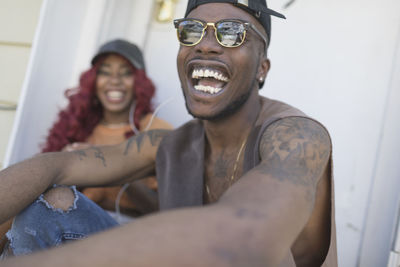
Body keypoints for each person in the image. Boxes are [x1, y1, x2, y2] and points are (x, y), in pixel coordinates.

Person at [0, 0, 337, 266]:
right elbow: (56, 166)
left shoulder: (297, 136)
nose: (206, 46)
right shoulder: (167, 144)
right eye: (191, 31)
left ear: (262, 68)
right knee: (52, 201)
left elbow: (244, 236)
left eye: (232, 33)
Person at [41, 39, 172, 218]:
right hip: (69, 222)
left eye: (126, 74)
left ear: (140, 83)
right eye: (105, 73)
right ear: (93, 81)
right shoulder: (77, 125)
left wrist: (109, 164)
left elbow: (166, 211)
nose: (114, 81)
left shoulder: (155, 130)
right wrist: (66, 166)